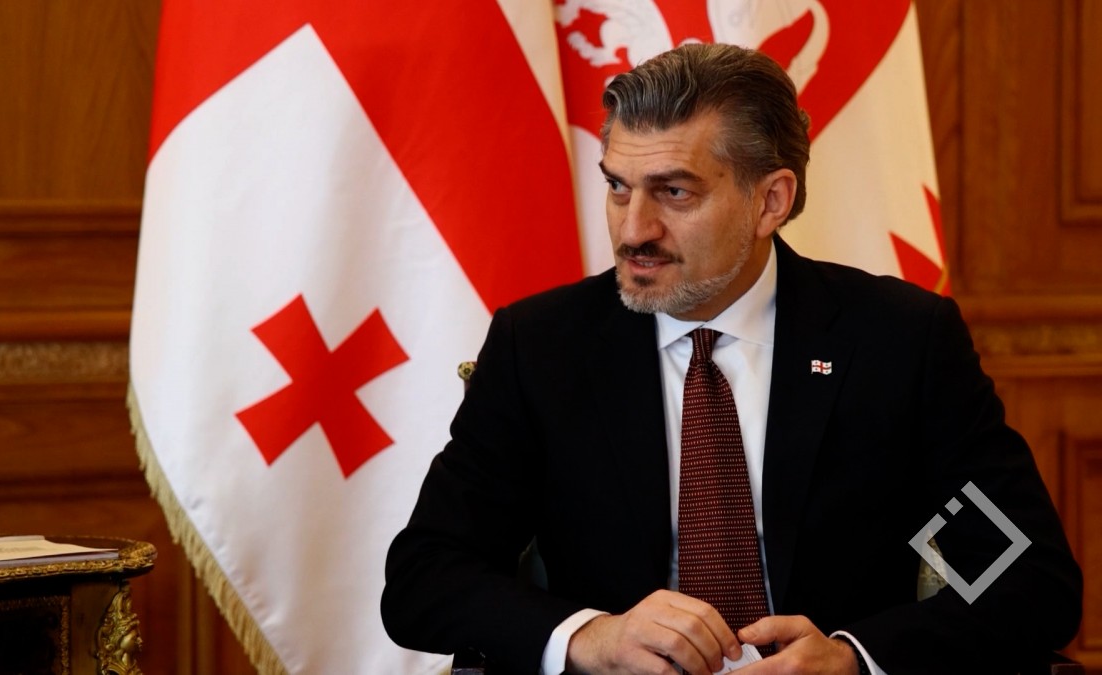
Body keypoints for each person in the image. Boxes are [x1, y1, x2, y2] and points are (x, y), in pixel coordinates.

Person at [380, 43, 1082, 674]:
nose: (633, 228)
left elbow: (1029, 577)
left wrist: (853, 658)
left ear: (770, 200)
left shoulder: (896, 344)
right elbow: (425, 576)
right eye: (618, 186)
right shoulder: (543, 347)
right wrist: (592, 636)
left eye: (674, 191)